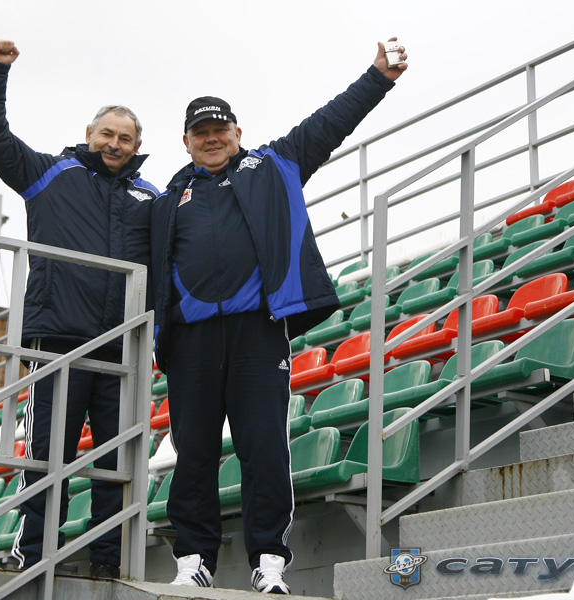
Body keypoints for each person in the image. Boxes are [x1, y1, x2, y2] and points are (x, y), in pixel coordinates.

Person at [149, 39, 407, 593]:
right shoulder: (166, 200)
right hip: (191, 341)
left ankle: (269, 561)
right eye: (201, 132)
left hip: (258, 331)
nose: (212, 138)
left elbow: (330, 122)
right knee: (193, 453)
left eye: (220, 129)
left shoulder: (275, 164)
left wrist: (378, 77)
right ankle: (192, 560)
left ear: (237, 132)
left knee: (263, 445)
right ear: (186, 142)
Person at [0, 39, 159, 577]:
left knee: (116, 461)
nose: (115, 144)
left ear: (138, 145)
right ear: (89, 134)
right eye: (107, 134)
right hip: (59, 341)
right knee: (49, 455)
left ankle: (109, 563)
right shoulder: (49, 173)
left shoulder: (151, 196)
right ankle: (35, 556)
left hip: (123, 351)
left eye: (125, 137)